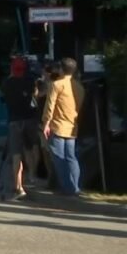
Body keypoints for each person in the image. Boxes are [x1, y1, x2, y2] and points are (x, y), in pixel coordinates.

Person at [41, 57, 85, 196]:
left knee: (59, 158)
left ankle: (66, 187)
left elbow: (50, 105)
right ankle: (75, 187)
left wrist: (46, 123)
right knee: (71, 157)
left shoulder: (56, 85)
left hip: (58, 125)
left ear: (61, 69)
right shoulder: (78, 86)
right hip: (72, 125)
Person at [0, 56, 38, 200]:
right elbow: (35, 96)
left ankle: (18, 185)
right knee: (29, 149)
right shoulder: (30, 81)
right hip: (29, 120)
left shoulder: (7, 83)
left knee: (16, 155)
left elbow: (1, 97)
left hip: (14, 122)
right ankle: (32, 176)